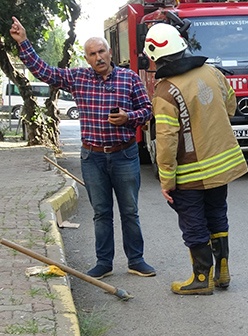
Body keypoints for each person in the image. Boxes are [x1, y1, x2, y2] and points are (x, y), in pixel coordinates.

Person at [10, 17, 156, 278]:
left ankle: (136, 260)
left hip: (124, 154)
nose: (98, 57)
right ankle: (104, 263)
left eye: (101, 51)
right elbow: (45, 71)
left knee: (130, 211)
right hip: (93, 157)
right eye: (92, 54)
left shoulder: (129, 78)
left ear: (109, 53)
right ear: (87, 58)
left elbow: (147, 111)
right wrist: (24, 43)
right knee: (101, 213)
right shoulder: (78, 78)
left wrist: (128, 118)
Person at [143, 23, 248, 295]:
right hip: (221, 165)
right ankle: (222, 272)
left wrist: (166, 179)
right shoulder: (213, 72)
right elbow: (230, 105)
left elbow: (166, 140)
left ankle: (202, 279)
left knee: (194, 224)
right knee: (217, 216)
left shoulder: (165, 91)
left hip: (190, 173)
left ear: (154, 55)